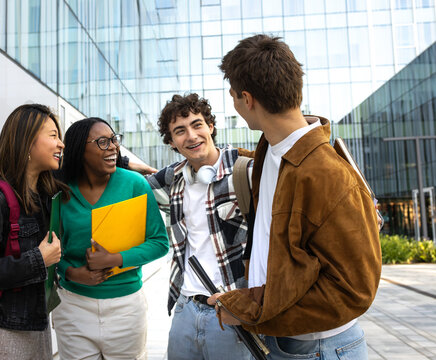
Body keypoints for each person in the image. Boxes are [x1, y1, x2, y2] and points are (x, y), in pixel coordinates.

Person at [207, 34, 382, 359]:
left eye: (232, 96)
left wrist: (252, 312)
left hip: (321, 348)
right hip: (286, 340)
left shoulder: (327, 174)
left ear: (247, 99)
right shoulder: (271, 153)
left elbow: (355, 292)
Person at [128, 93, 252, 360]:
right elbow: (132, 187)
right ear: (171, 141)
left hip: (232, 310)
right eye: (180, 131)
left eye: (197, 125)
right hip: (186, 307)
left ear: (211, 126)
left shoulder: (246, 172)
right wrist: (128, 163)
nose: (191, 136)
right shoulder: (173, 178)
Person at [0, 104, 69, 359]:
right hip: (1, 335)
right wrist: (37, 260)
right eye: (53, 136)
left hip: (38, 328)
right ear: (26, 141)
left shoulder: (44, 196)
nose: (61, 144)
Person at [52, 117, 169, 360]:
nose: (114, 147)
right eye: (103, 142)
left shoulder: (135, 184)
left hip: (126, 308)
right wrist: (71, 273)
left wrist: (114, 259)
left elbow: (159, 242)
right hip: (73, 306)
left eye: (114, 140)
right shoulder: (60, 190)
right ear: (79, 150)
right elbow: (50, 247)